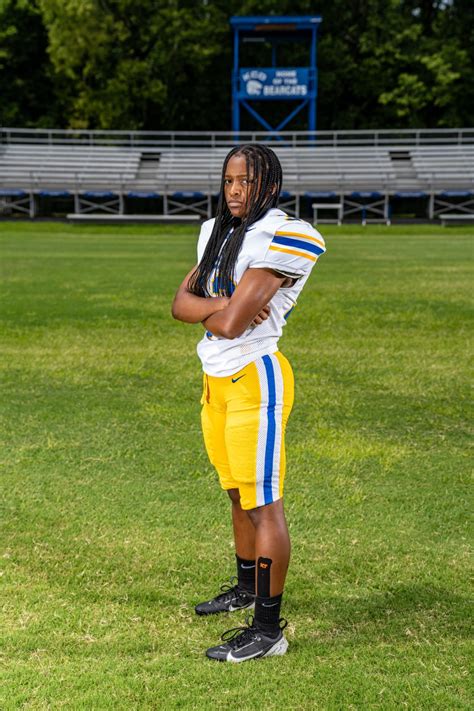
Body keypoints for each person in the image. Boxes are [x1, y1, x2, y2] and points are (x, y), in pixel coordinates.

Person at [172, 143, 326, 662]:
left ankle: (268, 630)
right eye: (229, 181)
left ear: (270, 186)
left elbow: (234, 325)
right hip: (215, 378)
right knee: (237, 495)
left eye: (247, 181)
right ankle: (245, 588)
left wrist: (217, 309)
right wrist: (222, 303)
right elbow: (179, 304)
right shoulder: (214, 230)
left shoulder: (290, 233)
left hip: (256, 377)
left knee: (263, 504)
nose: (235, 190)